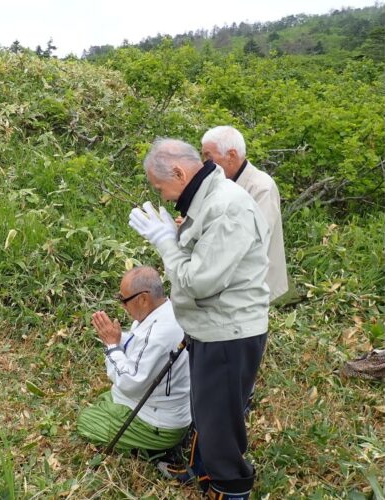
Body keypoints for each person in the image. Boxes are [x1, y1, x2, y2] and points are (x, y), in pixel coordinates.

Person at [128, 138, 270, 500]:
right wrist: (176, 237)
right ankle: (200, 469)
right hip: (210, 327)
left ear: (178, 171)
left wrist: (166, 245)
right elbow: (203, 256)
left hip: (228, 331)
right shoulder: (206, 199)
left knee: (221, 420)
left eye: (161, 189)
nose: (164, 197)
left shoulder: (226, 207)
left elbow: (200, 282)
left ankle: (229, 487)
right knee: (206, 409)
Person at [77, 266, 191, 459]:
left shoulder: (157, 335)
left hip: (159, 423)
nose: (122, 305)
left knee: (85, 421)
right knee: (106, 399)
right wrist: (118, 338)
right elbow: (140, 346)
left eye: (123, 300)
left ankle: (154, 450)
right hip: (170, 408)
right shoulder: (167, 310)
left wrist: (112, 345)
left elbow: (130, 383)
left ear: (143, 299)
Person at [200, 125, 289, 303]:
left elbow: (255, 236)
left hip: (255, 283)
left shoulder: (261, 187)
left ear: (231, 156)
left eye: (209, 156)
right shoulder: (218, 182)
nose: (204, 162)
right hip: (228, 279)